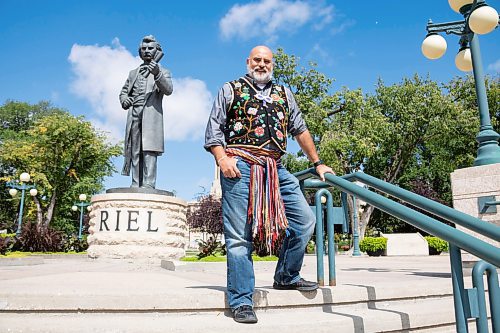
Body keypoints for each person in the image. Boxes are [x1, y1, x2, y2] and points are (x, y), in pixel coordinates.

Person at [204, 45, 334, 324]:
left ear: (272, 64)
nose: (262, 64)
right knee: (239, 236)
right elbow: (214, 128)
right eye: (257, 60)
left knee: (304, 221)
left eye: (267, 60)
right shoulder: (230, 89)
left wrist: (317, 162)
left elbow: (299, 129)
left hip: (276, 168)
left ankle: (286, 276)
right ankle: (241, 300)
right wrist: (221, 158)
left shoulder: (284, 93)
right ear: (248, 62)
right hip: (239, 165)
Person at [120, 35, 173, 189]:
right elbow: (123, 92)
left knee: (149, 151)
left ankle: (149, 183)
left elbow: (168, 90)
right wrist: (124, 100)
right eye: (144, 49)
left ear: (157, 50)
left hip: (151, 117)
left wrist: (157, 73)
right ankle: (135, 182)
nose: (147, 51)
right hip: (134, 114)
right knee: (135, 150)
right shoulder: (133, 73)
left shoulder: (163, 71)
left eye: (151, 48)